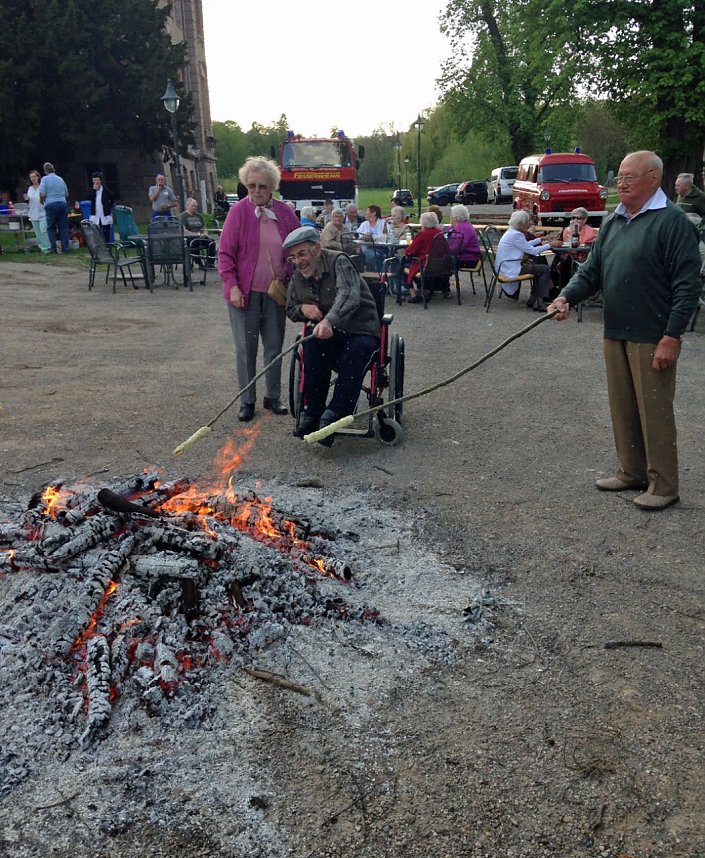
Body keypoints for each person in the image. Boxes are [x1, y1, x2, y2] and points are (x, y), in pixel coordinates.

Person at [547, 150, 701, 511]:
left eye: (630, 177)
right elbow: (592, 270)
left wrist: (672, 336)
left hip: (653, 333)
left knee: (654, 410)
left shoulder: (672, 222)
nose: (622, 183)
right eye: (620, 178)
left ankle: (663, 485)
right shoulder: (615, 222)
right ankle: (631, 471)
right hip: (615, 329)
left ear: (653, 179)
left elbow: (687, 285)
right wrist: (566, 296)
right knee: (623, 406)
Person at [218, 156, 300, 421]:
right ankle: (247, 400)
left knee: (274, 348)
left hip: (276, 293)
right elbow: (225, 254)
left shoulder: (285, 213)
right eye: (251, 185)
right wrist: (232, 286)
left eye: (262, 186)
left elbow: (297, 248)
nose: (256, 191)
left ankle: (272, 397)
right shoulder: (238, 212)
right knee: (246, 349)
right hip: (245, 295)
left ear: (272, 187)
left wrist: (295, 276)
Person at [283, 226, 381, 446]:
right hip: (329, 335)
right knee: (311, 344)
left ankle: (336, 414)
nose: (298, 261)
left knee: (356, 350)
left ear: (317, 249)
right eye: (293, 257)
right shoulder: (299, 276)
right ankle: (313, 413)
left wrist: (329, 320)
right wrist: (303, 309)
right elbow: (290, 307)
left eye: (302, 254)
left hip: (361, 329)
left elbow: (349, 296)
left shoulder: (339, 262)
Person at [495, 210, 557, 310]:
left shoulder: (512, 232)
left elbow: (526, 245)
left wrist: (541, 239)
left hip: (504, 267)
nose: (529, 223)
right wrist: (550, 244)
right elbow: (532, 251)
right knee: (543, 269)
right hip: (510, 269)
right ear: (521, 224)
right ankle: (539, 302)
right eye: (527, 221)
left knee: (538, 268)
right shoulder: (516, 235)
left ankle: (534, 298)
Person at [549, 207, 598, 294]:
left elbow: (592, 246)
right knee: (559, 260)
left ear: (585, 220)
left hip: (583, 258)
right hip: (569, 255)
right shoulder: (567, 230)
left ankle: (564, 290)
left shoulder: (591, 232)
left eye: (578, 218)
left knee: (565, 262)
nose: (575, 220)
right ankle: (555, 289)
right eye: (573, 218)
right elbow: (562, 244)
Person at [403, 210, 443, 303]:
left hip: (424, 265)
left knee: (404, 264)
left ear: (423, 223)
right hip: (440, 265)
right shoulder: (440, 233)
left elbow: (409, 251)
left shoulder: (423, 234)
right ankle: (424, 290)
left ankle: (413, 295)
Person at [39, 162, 70, 254]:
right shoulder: (60, 179)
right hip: (62, 203)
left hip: (51, 204)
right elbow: (67, 194)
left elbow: (42, 194)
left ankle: (53, 248)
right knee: (63, 227)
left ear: (45, 171)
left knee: (51, 227)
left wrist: (41, 200)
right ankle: (65, 248)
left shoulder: (44, 179)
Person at [179, 197, 216, 271]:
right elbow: (183, 230)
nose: (195, 208)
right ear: (187, 206)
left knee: (211, 242)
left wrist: (205, 234)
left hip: (200, 236)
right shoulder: (183, 216)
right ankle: (198, 262)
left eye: (196, 206)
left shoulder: (199, 216)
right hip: (189, 237)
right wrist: (196, 235)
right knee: (194, 242)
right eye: (193, 206)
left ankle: (210, 262)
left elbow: (204, 227)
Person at [25, 170, 51, 254]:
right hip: (33, 212)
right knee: (38, 233)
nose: (33, 178)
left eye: (34, 176)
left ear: (38, 177)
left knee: (43, 231)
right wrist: (27, 199)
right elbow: (28, 199)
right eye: (31, 177)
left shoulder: (42, 187)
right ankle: (42, 248)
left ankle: (48, 247)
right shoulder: (30, 188)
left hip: (43, 212)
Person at [88, 172, 115, 241]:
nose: (96, 182)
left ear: (100, 180)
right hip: (96, 213)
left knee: (106, 230)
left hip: (104, 213)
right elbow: (89, 197)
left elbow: (112, 197)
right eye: (94, 180)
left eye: (97, 180)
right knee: (97, 230)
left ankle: (107, 245)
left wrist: (109, 206)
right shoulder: (91, 189)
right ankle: (99, 245)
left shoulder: (105, 190)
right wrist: (94, 190)